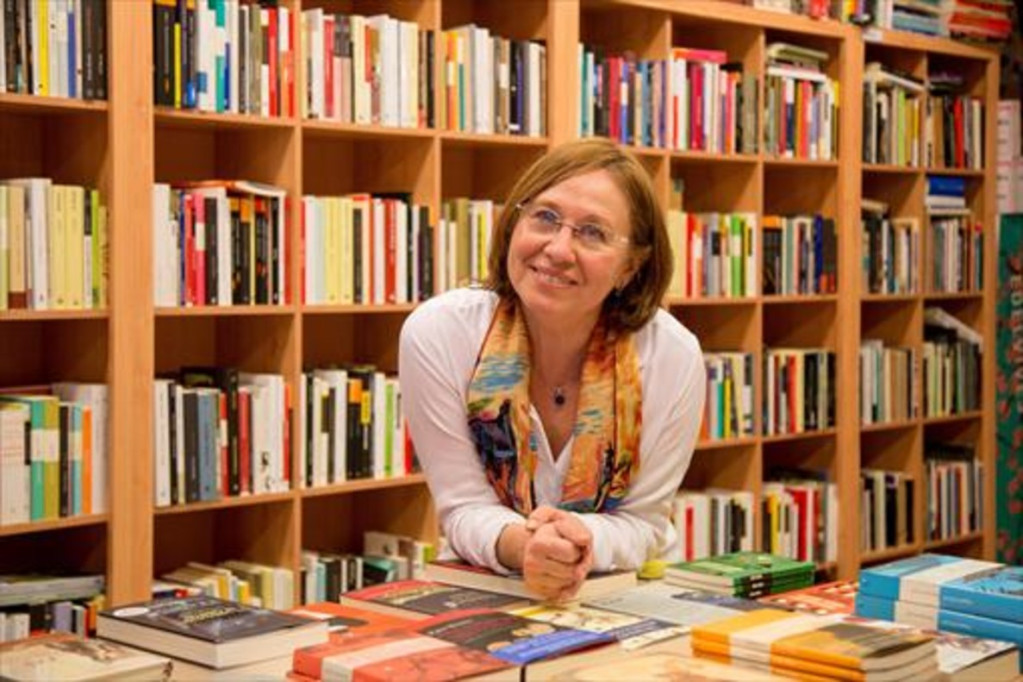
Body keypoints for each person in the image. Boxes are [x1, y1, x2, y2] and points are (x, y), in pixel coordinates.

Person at [399, 138, 705, 601]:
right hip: (487, 586)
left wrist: (574, 541)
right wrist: (527, 548)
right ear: (515, 223)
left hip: (622, 595)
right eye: (544, 217)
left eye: (593, 233)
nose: (559, 249)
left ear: (630, 267)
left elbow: (643, 525)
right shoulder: (440, 333)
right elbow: (462, 509)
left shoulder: (672, 356)